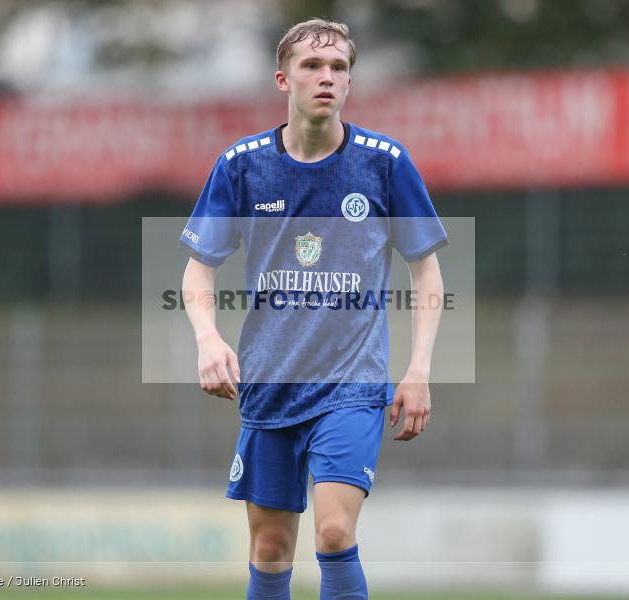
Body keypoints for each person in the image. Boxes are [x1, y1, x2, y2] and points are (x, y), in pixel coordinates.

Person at [180, 19, 445, 599]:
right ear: (284, 78)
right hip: (270, 385)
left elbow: (425, 268)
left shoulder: (385, 163)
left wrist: (419, 370)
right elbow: (199, 267)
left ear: (350, 81)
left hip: (352, 383)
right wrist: (207, 338)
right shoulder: (241, 166)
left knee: (332, 531)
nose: (327, 77)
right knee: (271, 548)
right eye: (312, 66)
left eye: (339, 68)